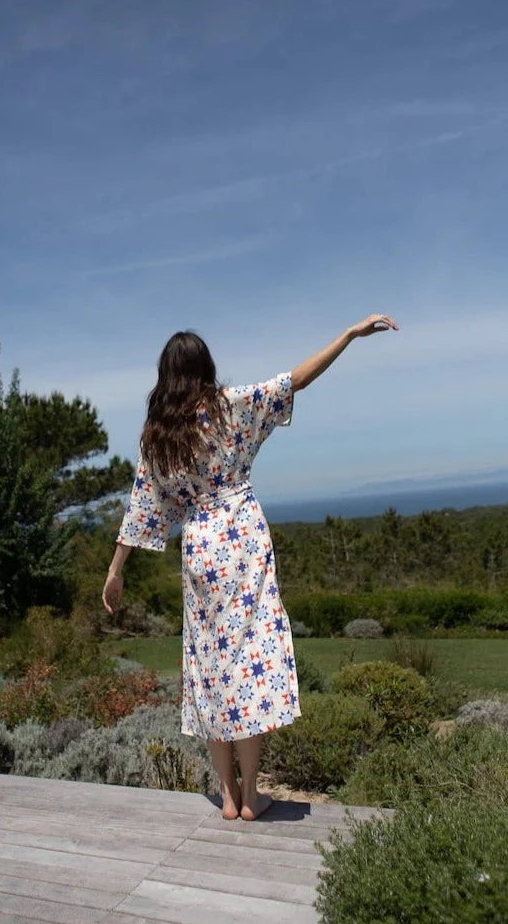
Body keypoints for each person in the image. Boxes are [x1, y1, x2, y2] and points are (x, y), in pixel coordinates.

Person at [102, 314, 399, 821]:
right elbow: (297, 378)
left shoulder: (158, 436)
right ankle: (253, 793)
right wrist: (349, 335)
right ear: (204, 368)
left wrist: (115, 569)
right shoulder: (229, 407)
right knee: (251, 662)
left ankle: (226, 796)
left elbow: (141, 507)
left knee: (211, 667)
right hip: (243, 542)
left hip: (200, 551)